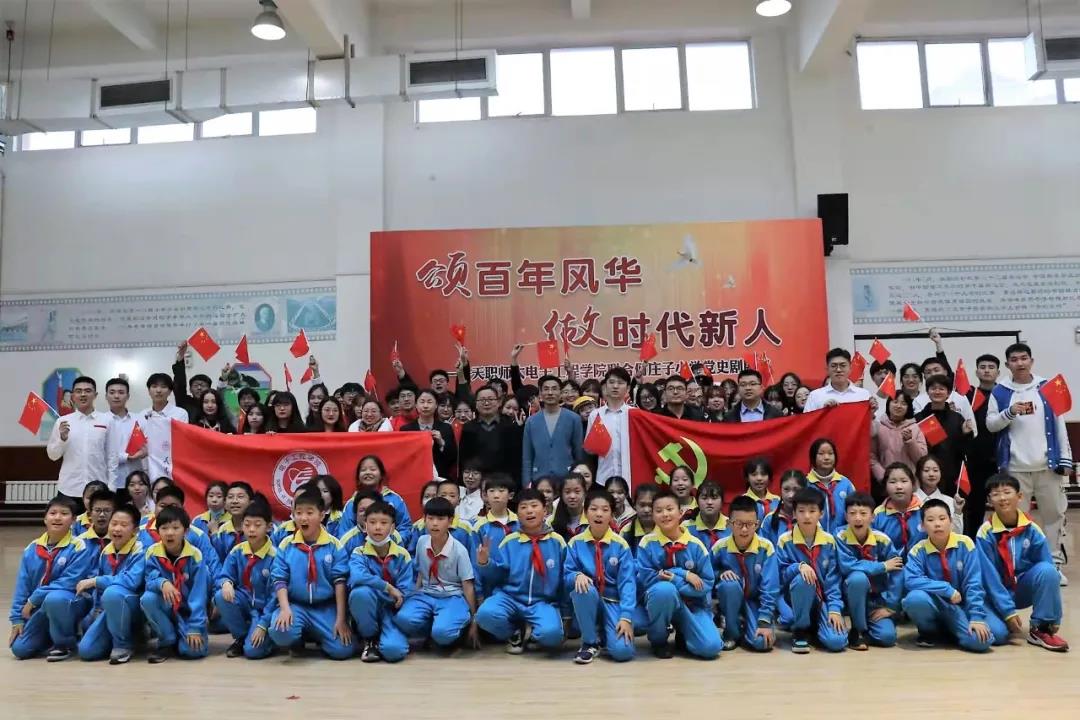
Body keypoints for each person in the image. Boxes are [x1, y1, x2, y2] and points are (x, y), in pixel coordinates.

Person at [986, 342, 1072, 584]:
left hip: (1048, 466)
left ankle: (1053, 564)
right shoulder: (1000, 391)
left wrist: (1065, 459)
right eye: (1014, 359)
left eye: (1024, 358)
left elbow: (1060, 424)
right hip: (1015, 468)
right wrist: (1009, 412)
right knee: (1016, 518)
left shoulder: (1047, 387)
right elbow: (991, 425)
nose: (1020, 363)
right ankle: (1020, 567)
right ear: (1007, 364)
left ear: (1031, 361)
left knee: (1054, 515)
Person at [976, 473, 1068, 652]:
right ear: (989, 500)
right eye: (996, 494)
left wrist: (1054, 616)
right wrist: (1007, 611)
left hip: (1021, 589)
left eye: (1007, 492)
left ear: (1019, 496)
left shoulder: (1032, 529)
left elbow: (1048, 570)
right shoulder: (985, 533)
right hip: (994, 595)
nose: (1002, 498)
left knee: (1048, 570)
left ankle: (1041, 628)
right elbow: (989, 578)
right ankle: (993, 617)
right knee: (997, 635)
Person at [475, 488, 566, 654]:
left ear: (545, 510)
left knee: (552, 635)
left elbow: (564, 579)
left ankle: (535, 636)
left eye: (534, 506)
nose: (529, 511)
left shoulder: (557, 542)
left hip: (542, 602)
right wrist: (485, 563)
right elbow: (497, 575)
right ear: (517, 514)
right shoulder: (509, 541)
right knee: (485, 615)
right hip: (510, 598)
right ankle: (514, 632)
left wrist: (564, 611)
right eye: (523, 507)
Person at [268, 487, 354, 660]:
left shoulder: (334, 546)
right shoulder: (286, 545)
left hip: (325, 607)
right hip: (296, 605)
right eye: (298, 513)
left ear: (321, 515)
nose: (303, 518)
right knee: (280, 631)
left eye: (309, 512)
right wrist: (285, 608)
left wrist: (341, 618)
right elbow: (279, 579)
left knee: (343, 650)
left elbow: (340, 582)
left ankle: (318, 635)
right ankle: (297, 638)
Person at [635, 489, 721, 659]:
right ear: (653, 515)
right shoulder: (647, 543)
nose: (665, 514)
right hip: (660, 601)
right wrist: (682, 574)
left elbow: (706, 584)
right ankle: (659, 641)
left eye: (669, 509)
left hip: (692, 605)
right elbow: (648, 579)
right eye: (659, 511)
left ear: (680, 512)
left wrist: (675, 579)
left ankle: (684, 634)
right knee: (664, 590)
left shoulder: (696, 545)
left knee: (711, 648)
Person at [901, 499, 995, 652]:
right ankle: (928, 632)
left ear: (951, 521)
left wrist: (976, 616)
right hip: (935, 603)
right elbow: (911, 580)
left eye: (942, 518)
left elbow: (974, 582)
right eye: (930, 520)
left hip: (960, 606)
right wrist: (946, 589)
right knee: (914, 598)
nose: (937, 524)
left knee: (982, 641)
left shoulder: (965, 544)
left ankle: (950, 630)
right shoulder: (918, 550)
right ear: (923, 526)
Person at [9, 496, 95, 660]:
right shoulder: (32, 549)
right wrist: (17, 618)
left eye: (64, 513)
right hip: (41, 607)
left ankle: (65, 643)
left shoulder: (80, 546)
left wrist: (34, 599)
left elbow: (69, 582)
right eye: (53, 513)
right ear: (45, 518)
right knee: (20, 649)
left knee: (55, 599)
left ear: (73, 520)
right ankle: (50, 635)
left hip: (71, 602)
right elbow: (22, 585)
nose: (57, 517)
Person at [395, 497, 480, 653]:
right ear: (424, 519)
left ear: (450, 521)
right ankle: (431, 631)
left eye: (440, 519)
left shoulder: (459, 550)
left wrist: (474, 619)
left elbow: (467, 585)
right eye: (430, 518)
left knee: (443, 633)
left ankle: (457, 629)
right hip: (427, 594)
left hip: (452, 596)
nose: (435, 523)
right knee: (403, 619)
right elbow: (421, 572)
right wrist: (415, 595)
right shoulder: (422, 542)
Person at [565, 488, 638, 663]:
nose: (599, 514)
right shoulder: (575, 543)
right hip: (587, 600)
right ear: (585, 513)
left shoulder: (620, 545)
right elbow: (566, 575)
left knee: (623, 652)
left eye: (605, 510)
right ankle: (589, 643)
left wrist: (626, 616)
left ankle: (605, 635)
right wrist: (576, 575)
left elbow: (628, 583)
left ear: (611, 514)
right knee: (582, 588)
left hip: (613, 602)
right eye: (593, 509)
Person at [775, 488, 846, 653]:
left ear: (821, 513)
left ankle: (816, 626)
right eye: (801, 511)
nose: (807, 516)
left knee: (837, 642)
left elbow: (833, 580)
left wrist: (834, 608)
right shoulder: (785, 540)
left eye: (812, 511)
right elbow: (780, 576)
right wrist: (798, 566)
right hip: (794, 598)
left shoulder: (829, 541)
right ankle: (800, 630)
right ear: (794, 514)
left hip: (822, 601)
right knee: (803, 579)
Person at [74, 503, 145, 664]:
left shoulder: (141, 550)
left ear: (135, 530)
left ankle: (124, 644)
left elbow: (131, 581)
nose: (117, 529)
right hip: (110, 608)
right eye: (114, 524)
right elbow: (99, 593)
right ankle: (116, 637)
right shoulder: (106, 551)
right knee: (86, 651)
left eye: (123, 525)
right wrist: (96, 611)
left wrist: (96, 581)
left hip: (135, 608)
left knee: (113, 593)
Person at [139, 505, 210, 662]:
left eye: (175, 528)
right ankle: (167, 639)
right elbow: (149, 579)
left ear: (186, 531)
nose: (170, 533)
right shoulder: (152, 552)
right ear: (158, 532)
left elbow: (199, 595)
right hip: (166, 607)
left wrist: (195, 626)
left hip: (187, 612)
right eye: (164, 528)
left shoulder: (195, 556)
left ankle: (183, 633)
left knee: (193, 652)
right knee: (148, 598)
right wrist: (162, 582)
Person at [347, 500, 413, 663]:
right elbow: (357, 577)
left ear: (392, 527)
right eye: (372, 522)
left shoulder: (402, 555)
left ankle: (388, 635)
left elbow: (404, 591)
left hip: (392, 611)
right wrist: (388, 588)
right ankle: (369, 639)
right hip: (369, 606)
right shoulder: (359, 552)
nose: (377, 527)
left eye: (384, 523)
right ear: (365, 525)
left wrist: (393, 597)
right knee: (360, 593)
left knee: (394, 652)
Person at [712, 495, 779, 652]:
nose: (744, 529)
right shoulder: (719, 547)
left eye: (749, 524)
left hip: (755, 602)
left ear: (757, 524)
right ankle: (731, 632)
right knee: (728, 585)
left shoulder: (766, 548)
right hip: (730, 600)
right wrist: (720, 573)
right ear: (729, 524)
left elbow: (770, 588)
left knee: (762, 643)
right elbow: (707, 576)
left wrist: (764, 621)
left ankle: (745, 623)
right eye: (738, 523)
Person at [835, 492, 901, 650]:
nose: (858, 518)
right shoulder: (839, 536)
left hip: (875, 600)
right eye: (852, 513)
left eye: (863, 514)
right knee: (858, 578)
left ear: (872, 517)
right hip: (848, 596)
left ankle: (865, 628)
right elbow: (847, 565)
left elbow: (897, 570)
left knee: (887, 638)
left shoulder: (882, 540)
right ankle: (858, 630)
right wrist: (882, 566)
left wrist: (891, 606)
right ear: (846, 516)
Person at [213, 496, 278, 659]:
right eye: (247, 525)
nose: (251, 530)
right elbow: (224, 575)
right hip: (245, 601)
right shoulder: (237, 551)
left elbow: (275, 597)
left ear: (269, 527)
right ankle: (241, 637)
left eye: (257, 525)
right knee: (220, 596)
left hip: (265, 609)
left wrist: (263, 624)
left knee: (253, 652)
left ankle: (268, 639)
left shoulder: (275, 556)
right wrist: (226, 583)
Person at [46, 375, 109, 510]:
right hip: (69, 488)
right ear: (73, 396)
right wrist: (62, 439)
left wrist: (112, 486)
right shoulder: (62, 422)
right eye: (79, 391)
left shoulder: (106, 420)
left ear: (95, 395)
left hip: (98, 488)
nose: (83, 394)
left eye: (87, 391)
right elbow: (52, 455)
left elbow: (112, 456)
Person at [914, 374, 973, 495]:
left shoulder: (957, 418)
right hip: (926, 473)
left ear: (948, 393)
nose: (937, 392)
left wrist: (966, 434)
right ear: (928, 392)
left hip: (951, 472)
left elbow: (964, 450)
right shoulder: (919, 418)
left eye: (941, 389)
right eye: (933, 388)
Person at [963, 353, 1001, 539]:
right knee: (974, 507)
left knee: (1003, 503)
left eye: (991, 367)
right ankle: (972, 543)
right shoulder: (969, 395)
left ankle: (1003, 542)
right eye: (983, 367)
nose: (987, 370)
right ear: (977, 372)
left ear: (998, 372)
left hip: (1001, 460)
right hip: (975, 461)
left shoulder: (1004, 394)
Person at [521, 375, 584, 487]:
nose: (550, 393)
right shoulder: (531, 421)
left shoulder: (573, 419)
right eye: (546, 389)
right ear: (540, 394)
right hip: (539, 479)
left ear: (561, 393)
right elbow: (527, 457)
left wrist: (579, 479)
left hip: (567, 479)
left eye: (554, 389)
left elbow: (578, 453)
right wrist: (527, 483)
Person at [339, 455, 413, 544]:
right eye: (363, 470)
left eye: (372, 469)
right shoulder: (352, 503)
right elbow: (344, 534)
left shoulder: (394, 499)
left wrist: (391, 542)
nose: (368, 472)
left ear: (381, 474)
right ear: (358, 477)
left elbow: (405, 527)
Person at [870, 394, 927, 497]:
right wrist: (884, 477)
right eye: (895, 402)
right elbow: (872, 457)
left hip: (910, 484)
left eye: (903, 403)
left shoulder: (915, 428)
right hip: (885, 485)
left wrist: (910, 442)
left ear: (908, 407)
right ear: (888, 404)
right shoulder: (878, 427)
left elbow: (921, 460)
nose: (899, 406)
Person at [458, 385, 517, 483]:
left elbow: (515, 458)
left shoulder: (510, 426)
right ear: (476, 404)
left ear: (499, 402)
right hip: (477, 481)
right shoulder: (468, 428)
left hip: (504, 481)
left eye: (490, 399)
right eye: (482, 400)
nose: (486, 403)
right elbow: (464, 459)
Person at [585, 367, 633, 485]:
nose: (615, 386)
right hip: (603, 478)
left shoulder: (634, 414)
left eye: (620, 383)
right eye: (611, 382)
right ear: (605, 387)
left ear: (628, 388)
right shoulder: (595, 415)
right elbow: (589, 450)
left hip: (630, 476)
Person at [138, 373, 188, 480]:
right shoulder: (141, 415)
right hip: (147, 468)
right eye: (154, 386)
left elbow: (182, 442)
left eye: (163, 387)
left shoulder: (180, 413)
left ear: (170, 391)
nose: (158, 390)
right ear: (149, 391)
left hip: (171, 467)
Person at [402, 389, 458, 480]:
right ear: (416, 405)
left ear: (436, 405)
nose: (425, 406)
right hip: (415, 476)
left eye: (429, 402)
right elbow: (404, 457)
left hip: (440, 477)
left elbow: (453, 457)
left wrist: (441, 443)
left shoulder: (446, 428)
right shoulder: (406, 429)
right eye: (422, 402)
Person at [872, 462, 925, 558]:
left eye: (904, 481)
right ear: (885, 486)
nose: (899, 487)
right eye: (893, 482)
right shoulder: (878, 515)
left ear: (913, 484)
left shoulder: (925, 511)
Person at [103, 377, 147, 491]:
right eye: (112, 392)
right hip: (108, 481)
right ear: (106, 396)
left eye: (121, 392)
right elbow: (100, 452)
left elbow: (147, 445)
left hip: (135, 483)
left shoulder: (140, 419)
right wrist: (127, 457)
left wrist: (144, 452)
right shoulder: (100, 421)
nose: (116, 396)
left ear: (128, 396)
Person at [806, 438, 856, 534]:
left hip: (842, 538)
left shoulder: (845, 484)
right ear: (813, 457)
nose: (826, 457)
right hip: (814, 538)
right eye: (821, 454)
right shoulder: (806, 484)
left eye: (830, 453)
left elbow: (855, 511)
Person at [803, 348, 872, 412]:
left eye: (843, 365)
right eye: (834, 366)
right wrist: (823, 412)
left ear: (850, 368)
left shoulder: (864, 395)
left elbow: (871, 420)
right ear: (827, 369)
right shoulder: (815, 396)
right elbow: (808, 420)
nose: (838, 370)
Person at [915, 455, 964, 535]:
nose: (931, 474)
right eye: (926, 470)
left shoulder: (950, 501)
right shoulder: (911, 500)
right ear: (918, 473)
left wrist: (958, 511)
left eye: (935, 470)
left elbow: (957, 534)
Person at [472, 473, 519, 548]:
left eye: (501, 491)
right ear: (486, 495)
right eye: (491, 491)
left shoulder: (520, 522)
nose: (496, 495)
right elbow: (475, 552)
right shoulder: (479, 526)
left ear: (511, 495)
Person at [761, 470, 807, 547]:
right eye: (786, 489)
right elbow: (763, 550)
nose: (791, 495)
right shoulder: (769, 519)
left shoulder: (810, 519)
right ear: (780, 490)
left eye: (796, 490)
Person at [213, 482, 254, 562]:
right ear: (225, 504)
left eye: (240, 497)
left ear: (251, 503)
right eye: (230, 497)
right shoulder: (222, 531)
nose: (235, 501)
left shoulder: (261, 528)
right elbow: (219, 560)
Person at [682, 479, 729, 549]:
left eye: (714, 498)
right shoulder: (684, 528)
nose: (709, 502)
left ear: (722, 502)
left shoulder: (731, 526)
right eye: (704, 498)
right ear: (697, 502)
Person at [171, 342, 212, 418]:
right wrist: (180, 358)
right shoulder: (185, 402)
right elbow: (180, 384)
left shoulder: (214, 405)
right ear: (190, 389)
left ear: (209, 389)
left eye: (203, 385)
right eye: (196, 385)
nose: (199, 388)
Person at [622, 483, 659, 556]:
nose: (646, 510)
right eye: (642, 505)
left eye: (651, 505)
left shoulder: (666, 530)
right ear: (634, 505)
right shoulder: (626, 531)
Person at [552, 472, 588, 540]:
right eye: (567, 492)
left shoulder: (591, 519)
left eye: (577, 491)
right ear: (561, 494)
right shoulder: (551, 520)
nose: (572, 496)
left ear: (585, 493)